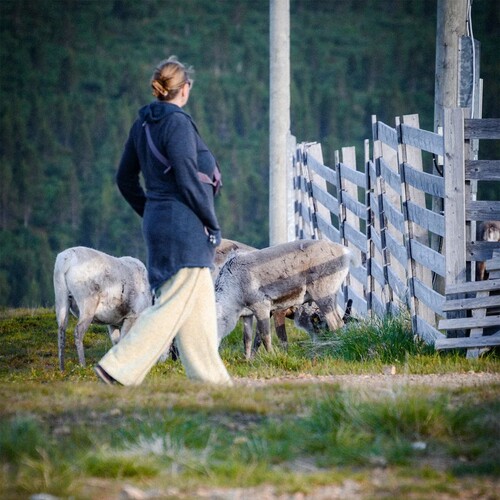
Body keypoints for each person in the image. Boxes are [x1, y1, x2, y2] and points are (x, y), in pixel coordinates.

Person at [94, 56, 232, 387]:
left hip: (160, 220)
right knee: (172, 304)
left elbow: (125, 178)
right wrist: (211, 222)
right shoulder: (179, 123)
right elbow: (186, 176)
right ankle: (118, 367)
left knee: (197, 306)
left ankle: (212, 382)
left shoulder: (142, 125)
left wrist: (151, 209)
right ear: (184, 89)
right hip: (184, 226)